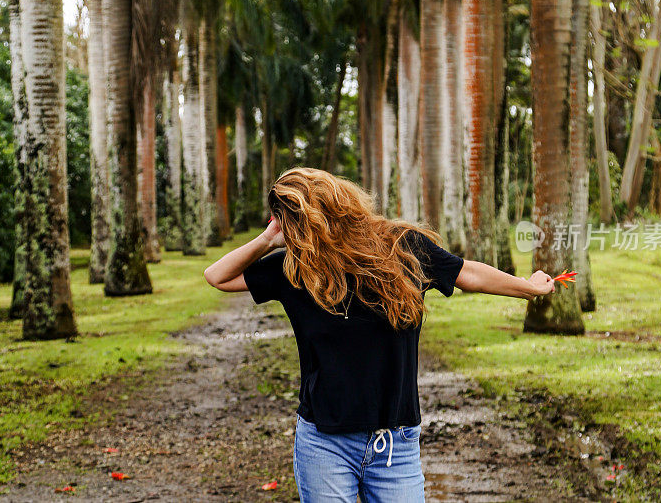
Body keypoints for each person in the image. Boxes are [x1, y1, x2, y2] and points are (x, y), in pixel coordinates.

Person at [204, 167, 555, 503]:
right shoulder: (295, 268)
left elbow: (469, 275)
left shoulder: (403, 247)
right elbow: (218, 276)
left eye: (294, 218)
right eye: (286, 221)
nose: (294, 231)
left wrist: (526, 288)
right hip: (325, 444)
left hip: (395, 444)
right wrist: (268, 239)